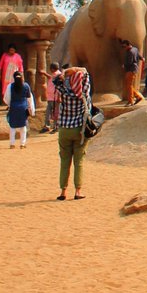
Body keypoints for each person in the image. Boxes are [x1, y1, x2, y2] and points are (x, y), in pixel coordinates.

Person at [53, 65, 92, 200]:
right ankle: (78, 191)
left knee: (64, 161)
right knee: (79, 161)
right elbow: (86, 74)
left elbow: (56, 80)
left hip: (64, 129)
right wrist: (77, 70)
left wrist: (65, 73)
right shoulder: (83, 93)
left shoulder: (63, 91)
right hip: (79, 130)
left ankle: (63, 191)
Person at [3, 70, 36, 149]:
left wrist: (9, 104)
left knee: (12, 126)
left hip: (14, 107)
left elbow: (7, 98)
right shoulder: (26, 86)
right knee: (23, 126)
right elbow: (29, 98)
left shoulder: (10, 86)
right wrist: (31, 109)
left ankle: (12, 144)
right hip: (23, 108)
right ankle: (22, 144)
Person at [119, 39, 144, 106]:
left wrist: (124, 65)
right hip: (134, 69)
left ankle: (131, 101)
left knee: (129, 86)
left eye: (124, 47)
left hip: (130, 69)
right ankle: (138, 97)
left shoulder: (130, 52)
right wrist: (142, 58)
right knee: (129, 85)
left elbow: (129, 62)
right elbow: (138, 55)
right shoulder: (135, 49)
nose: (124, 48)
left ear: (128, 45)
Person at [40, 61, 62, 133]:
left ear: (52, 69)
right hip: (50, 97)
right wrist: (44, 73)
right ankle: (47, 126)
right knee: (48, 112)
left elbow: (60, 87)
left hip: (55, 98)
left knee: (56, 113)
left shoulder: (59, 75)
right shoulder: (54, 75)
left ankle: (56, 127)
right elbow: (51, 77)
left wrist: (59, 97)